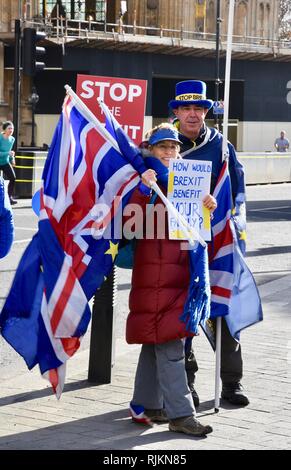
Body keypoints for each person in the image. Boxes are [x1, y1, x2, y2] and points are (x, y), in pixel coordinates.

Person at [125, 123, 216, 436]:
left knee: (156, 342)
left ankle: (146, 405)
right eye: (162, 147)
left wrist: (208, 208)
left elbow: (198, 231)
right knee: (170, 345)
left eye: (174, 147)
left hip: (177, 275)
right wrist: (143, 190)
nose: (169, 152)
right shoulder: (143, 178)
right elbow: (129, 226)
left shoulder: (186, 180)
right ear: (151, 149)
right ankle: (180, 414)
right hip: (157, 276)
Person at [168, 80, 249, 407]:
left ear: (206, 112)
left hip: (216, 243)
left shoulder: (222, 147)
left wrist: (234, 223)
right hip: (175, 243)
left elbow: (239, 193)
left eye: (198, 108)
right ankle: (186, 383)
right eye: (185, 108)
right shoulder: (162, 144)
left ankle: (231, 382)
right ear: (176, 111)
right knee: (182, 314)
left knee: (223, 312)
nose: (192, 114)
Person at [0, 121, 17, 205]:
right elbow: (6, 152)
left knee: (13, 178)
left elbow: (9, 152)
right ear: (4, 129)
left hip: (5, 162)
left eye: (12, 128)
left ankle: (9, 197)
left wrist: (12, 159)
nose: (11, 130)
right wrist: (8, 153)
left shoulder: (12, 139)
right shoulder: (0, 137)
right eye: (9, 128)